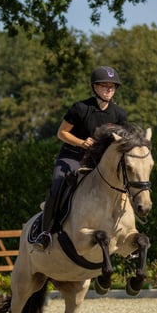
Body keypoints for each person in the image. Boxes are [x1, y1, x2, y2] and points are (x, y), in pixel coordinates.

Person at [32, 65, 128, 250]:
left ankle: (124, 233)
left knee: (125, 184)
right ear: (94, 87)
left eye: (112, 86)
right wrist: (82, 142)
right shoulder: (81, 108)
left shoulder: (119, 114)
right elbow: (62, 133)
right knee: (58, 182)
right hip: (73, 156)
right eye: (104, 85)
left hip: (98, 162)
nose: (109, 89)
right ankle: (44, 233)